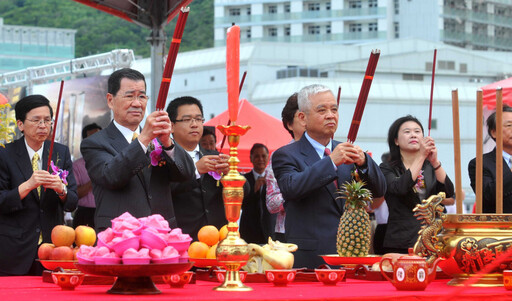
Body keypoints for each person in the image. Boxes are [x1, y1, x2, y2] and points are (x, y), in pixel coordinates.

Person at [272, 84, 386, 269]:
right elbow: (291, 188)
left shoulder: (346, 151)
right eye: (322, 110)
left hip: (349, 253)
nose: (330, 115)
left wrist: (365, 162)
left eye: (334, 109)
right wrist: (331, 162)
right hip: (310, 255)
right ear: (302, 117)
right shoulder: (286, 154)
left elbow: (380, 190)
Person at [80, 68, 195, 232]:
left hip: (161, 234)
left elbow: (187, 174)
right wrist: (143, 139)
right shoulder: (94, 143)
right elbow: (111, 176)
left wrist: (168, 143)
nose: (137, 103)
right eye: (129, 96)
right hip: (120, 236)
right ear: (110, 100)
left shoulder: (159, 139)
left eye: (142, 96)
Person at [0, 95, 78, 276]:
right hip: (15, 249)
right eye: (36, 120)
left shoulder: (61, 152)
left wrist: (61, 189)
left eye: (47, 120)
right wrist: (27, 186)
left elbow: (73, 202)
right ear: (20, 124)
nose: (43, 126)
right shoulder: (5, 154)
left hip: (53, 249)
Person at [380, 115, 454, 254]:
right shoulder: (387, 168)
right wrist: (421, 156)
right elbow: (400, 188)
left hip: (432, 239)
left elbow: (448, 192)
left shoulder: (430, 167)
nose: (413, 135)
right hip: (401, 241)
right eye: (407, 132)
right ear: (396, 140)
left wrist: (435, 162)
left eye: (417, 131)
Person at [166, 96, 230, 240]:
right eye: (187, 119)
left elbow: (246, 191)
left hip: (217, 240)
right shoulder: (163, 158)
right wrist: (195, 171)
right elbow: (163, 192)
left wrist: (230, 175)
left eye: (198, 119)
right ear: (171, 126)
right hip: (181, 240)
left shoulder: (215, 156)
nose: (194, 124)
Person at [264, 93, 305, 242]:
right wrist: (301, 189)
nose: (307, 120)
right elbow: (272, 203)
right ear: (289, 124)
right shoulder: (281, 155)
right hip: (289, 232)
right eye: (301, 116)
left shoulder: (331, 153)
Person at [468, 106, 512, 213]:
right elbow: (487, 196)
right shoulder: (480, 164)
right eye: (509, 125)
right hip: (501, 227)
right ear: (494, 132)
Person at [240, 143, 271, 244]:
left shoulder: (273, 179)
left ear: (268, 157)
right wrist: (253, 190)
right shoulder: (244, 179)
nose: (260, 159)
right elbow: (240, 204)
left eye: (263, 156)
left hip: (269, 231)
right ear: (251, 158)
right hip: (249, 230)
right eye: (257, 156)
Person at [72, 123, 102, 229]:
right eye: (92, 138)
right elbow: (74, 194)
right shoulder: (77, 166)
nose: (96, 141)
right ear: (85, 141)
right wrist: (94, 179)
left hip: (104, 213)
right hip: (85, 214)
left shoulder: (111, 162)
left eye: (99, 137)